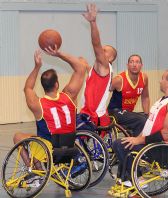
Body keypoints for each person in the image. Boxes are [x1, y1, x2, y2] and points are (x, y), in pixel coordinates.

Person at [13, 47, 87, 186]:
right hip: (70, 148)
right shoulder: (70, 95)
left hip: (50, 152)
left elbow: (27, 88)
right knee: (44, 139)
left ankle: (36, 172)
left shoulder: (37, 104)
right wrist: (58, 53)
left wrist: (37, 67)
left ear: (42, 86)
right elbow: (80, 68)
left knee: (18, 136)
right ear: (57, 84)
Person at [111, 69, 168, 187]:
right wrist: (136, 138)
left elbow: (165, 134)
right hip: (150, 143)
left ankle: (137, 179)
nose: (160, 82)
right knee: (123, 143)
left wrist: (139, 140)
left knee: (120, 145)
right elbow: (149, 125)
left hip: (159, 149)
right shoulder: (162, 100)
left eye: (162, 79)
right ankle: (130, 177)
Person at [77, 3, 117, 135]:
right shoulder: (101, 70)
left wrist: (93, 22)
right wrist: (83, 63)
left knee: (67, 134)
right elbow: (90, 72)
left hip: (92, 116)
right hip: (98, 115)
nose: (101, 51)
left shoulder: (104, 65)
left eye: (105, 51)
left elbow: (96, 44)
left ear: (110, 58)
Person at [108, 54, 150, 136]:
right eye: (131, 62)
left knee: (148, 120)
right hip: (115, 112)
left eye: (137, 62)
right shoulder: (119, 79)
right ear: (127, 65)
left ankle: (135, 139)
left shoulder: (144, 78)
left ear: (141, 65)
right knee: (141, 120)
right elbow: (104, 93)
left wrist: (147, 114)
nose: (134, 65)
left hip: (128, 113)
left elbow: (145, 97)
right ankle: (136, 143)